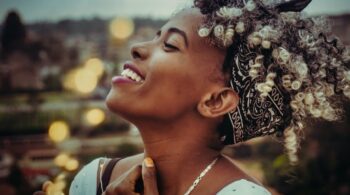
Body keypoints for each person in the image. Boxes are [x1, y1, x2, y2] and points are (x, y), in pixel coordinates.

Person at [35, 0, 350, 194]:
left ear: (215, 101)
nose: (138, 47)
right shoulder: (92, 180)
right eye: (157, 36)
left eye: (170, 46)